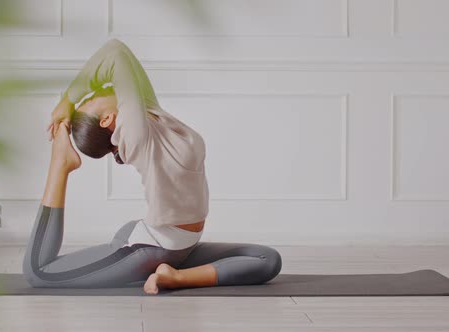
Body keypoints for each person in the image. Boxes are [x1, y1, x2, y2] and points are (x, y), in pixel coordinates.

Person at [22, 38, 282, 294]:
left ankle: (176, 276)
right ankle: (60, 163)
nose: (93, 93)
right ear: (107, 120)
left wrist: (69, 101)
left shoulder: (150, 113)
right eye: (89, 101)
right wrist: (68, 101)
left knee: (267, 259)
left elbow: (119, 48)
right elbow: (114, 57)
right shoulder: (135, 135)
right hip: (147, 248)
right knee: (38, 272)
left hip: (181, 245)